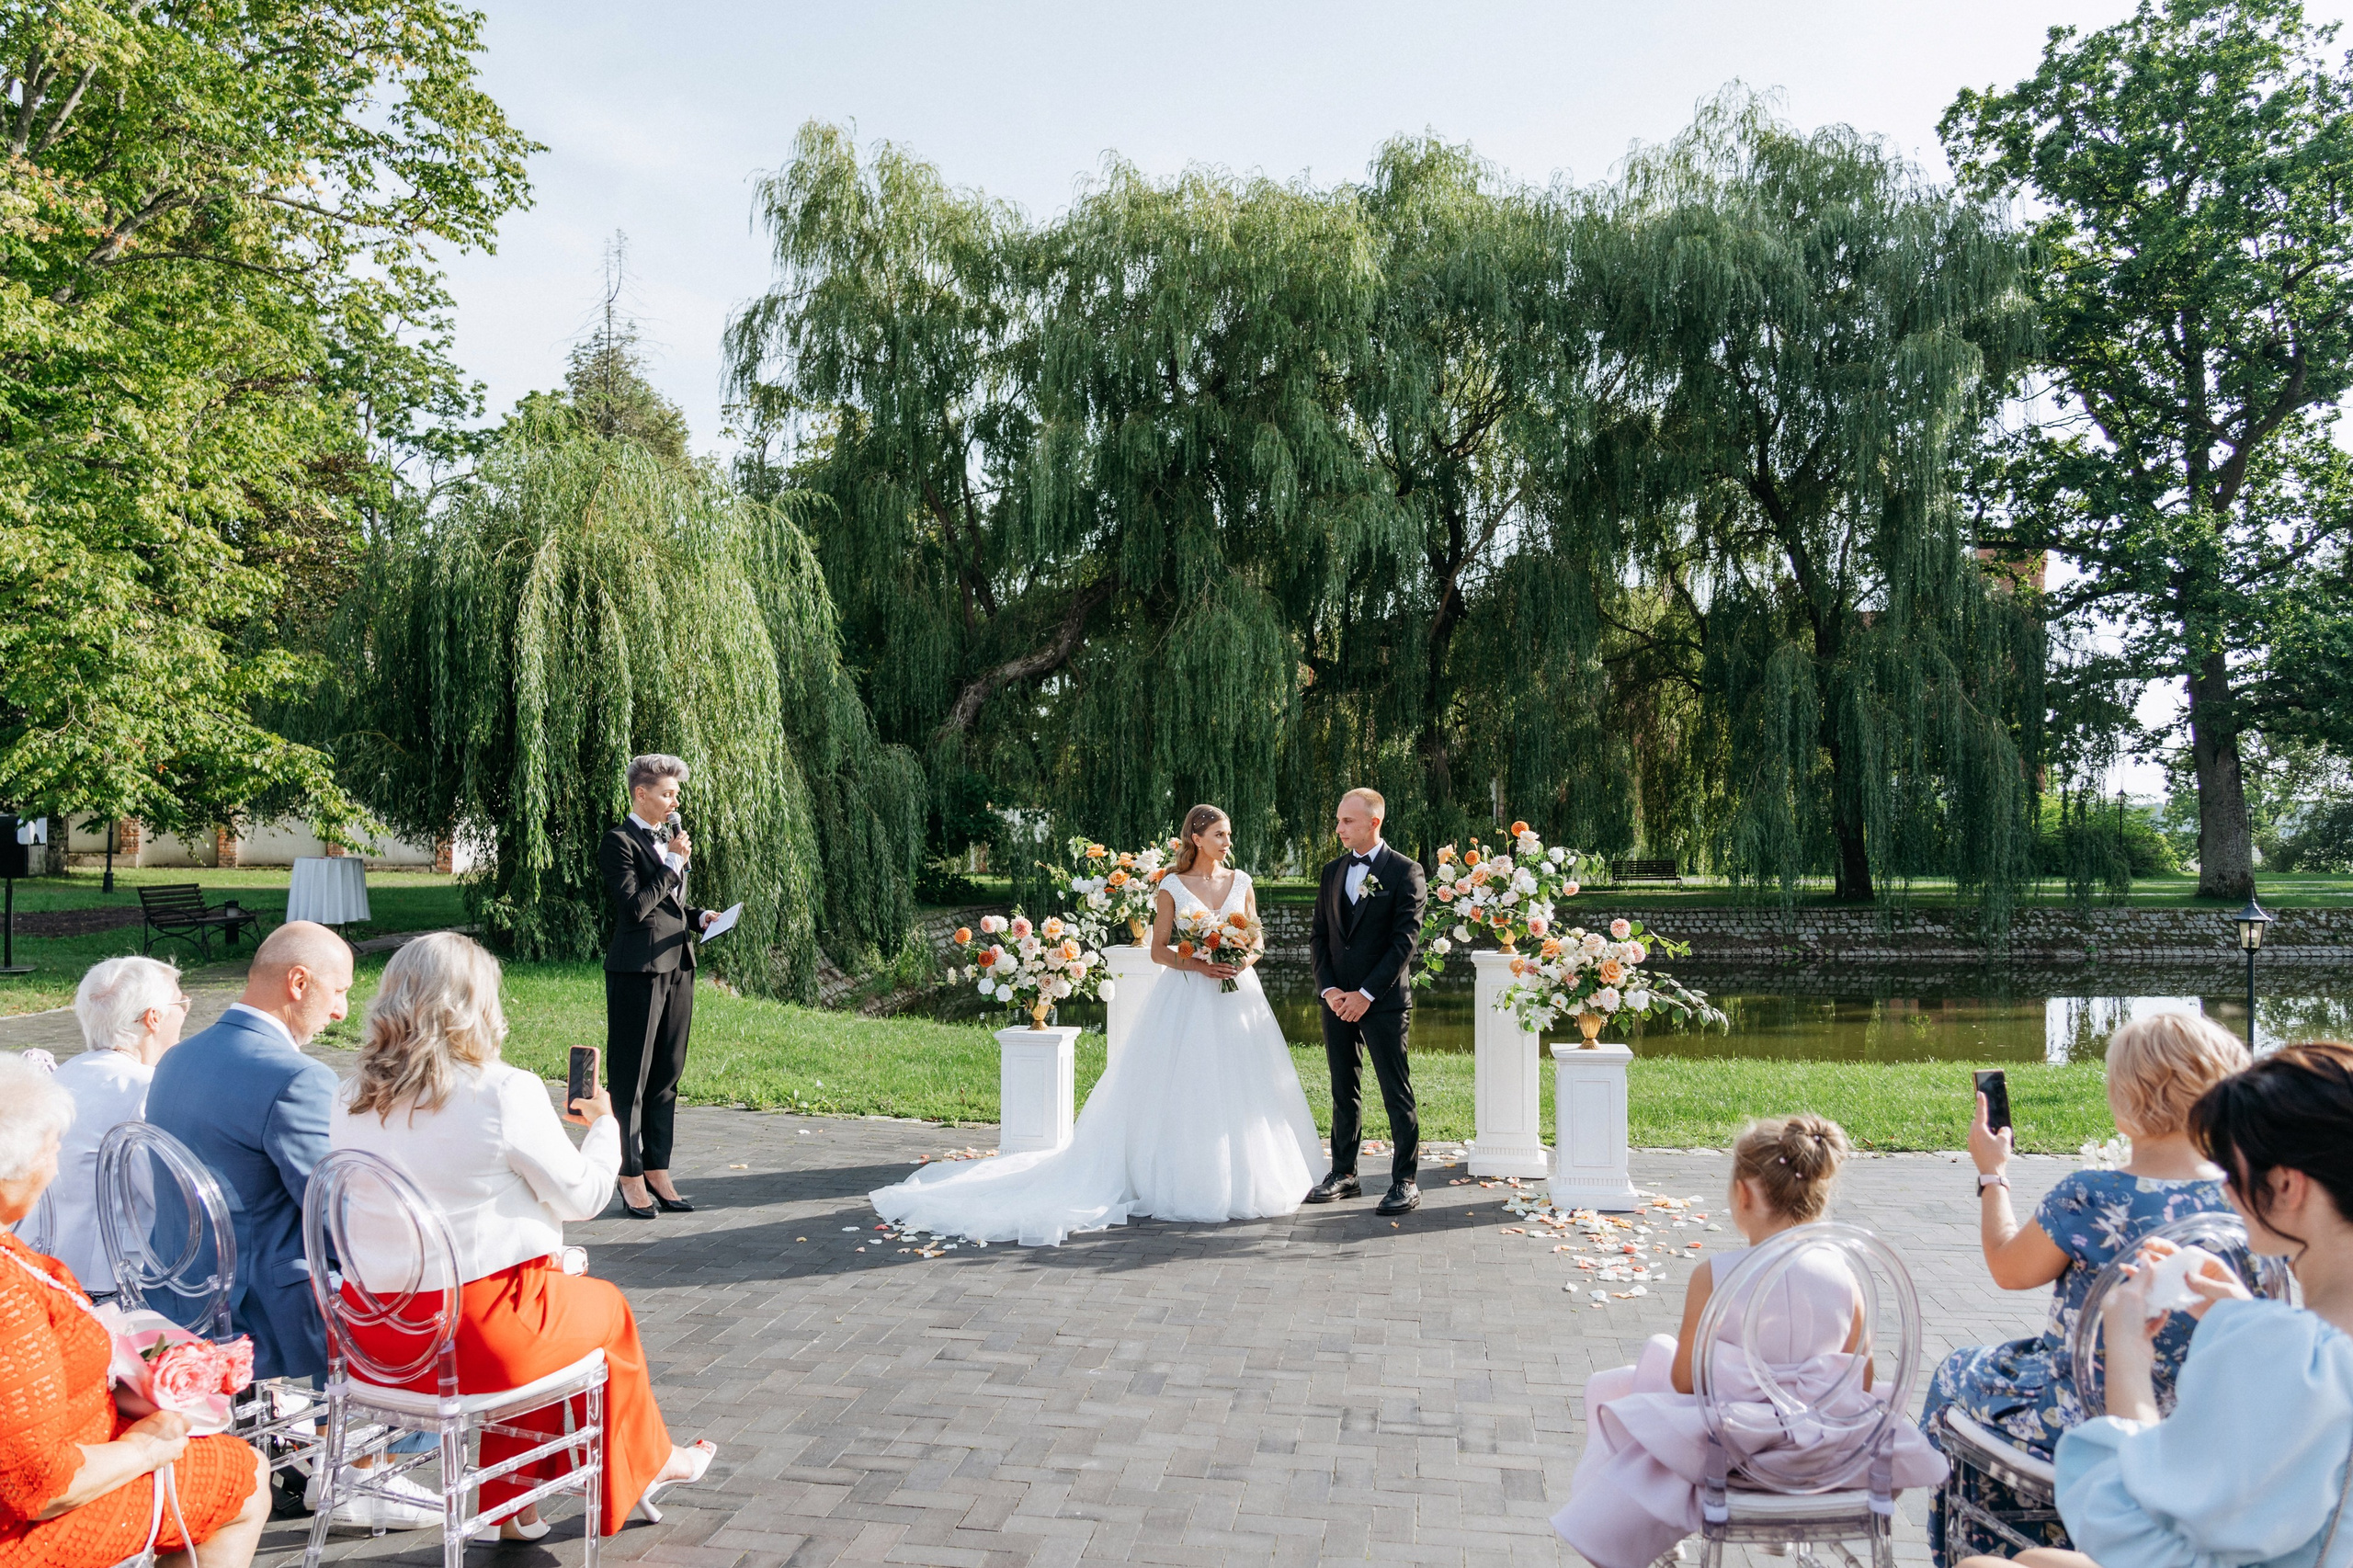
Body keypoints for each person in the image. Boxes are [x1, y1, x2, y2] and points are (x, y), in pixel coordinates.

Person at [328, 933, 716, 1538]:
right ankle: (648, 1462)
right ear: (477, 1003)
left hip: (374, 1339)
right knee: (601, 1309)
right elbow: (585, 1198)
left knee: (548, 1298)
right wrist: (605, 1127)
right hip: (471, 1343)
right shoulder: (502, 1090)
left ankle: (516, 1509)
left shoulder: (349, 1094)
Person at [1954, 1041, 2353, 1568]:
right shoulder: (2304, 1349)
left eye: (2229, 1166)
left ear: (2284, 1184)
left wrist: (2126, 1354)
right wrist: (2243, 1316)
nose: (2223, 1185)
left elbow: (2133, 1533)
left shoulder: (2290, 1357)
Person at [870, 802, 1325, 1245]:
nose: (1227, 842)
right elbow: (1159, 951)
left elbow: (1257, 939)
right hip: (1189, 994)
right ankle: (1177, 1177)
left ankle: (1248, 1174)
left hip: (1237, 994)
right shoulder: (1172, 886)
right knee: (1187, 1083)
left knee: (1242, 1081)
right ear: (1196, 838)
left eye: (1228, 834)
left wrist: (1241, 959)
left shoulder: (1241, 881)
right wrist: (1200, 965)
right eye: (1219, 834)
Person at [1920, 1012, 2248, 1565]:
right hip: (2206, 1432)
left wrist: (1992, 1174)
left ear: (2121, 1103)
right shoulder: (2255, 1201)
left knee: (1956, 1372)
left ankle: (1973, 1549)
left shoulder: (2092, 1195)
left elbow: (2008, 1269)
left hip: (2079, 1420)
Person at [1552, 1115, 1948, 1568]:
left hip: (1736, 1460)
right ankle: (1767, 1534)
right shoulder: (1847, 1275)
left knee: (1620, 1383)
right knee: (1631, 1376)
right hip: (1825, 1458)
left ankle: (1630, 1525)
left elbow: (1684, 1383)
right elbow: (1861, 1383)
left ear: (1743, 1193)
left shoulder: (1716, 1276)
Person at [0, 1054, 273, 1568]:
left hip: (61, 1451)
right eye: (52, 1150)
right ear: (15, 1171)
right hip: (22, 1525)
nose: (56, 1167)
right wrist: (146, 1448)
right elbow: (40, 1487)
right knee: (248, 1477)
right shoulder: (7, 1299)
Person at [147, 923, 351, 1384]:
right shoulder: (297, 1078)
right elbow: (336, 1217)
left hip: (175, 1295)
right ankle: (338, 1425)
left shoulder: (176, 1057)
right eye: (339, 991)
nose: (341, 1011)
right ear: (298, 983)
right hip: (257, 1316)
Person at [600, 754, 715, 1221]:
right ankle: (629, 1174)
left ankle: (657, 1169)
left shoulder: (668, 844)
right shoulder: (618, 841)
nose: (674, 803)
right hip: (637, 969)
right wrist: (671, 863)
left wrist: (698, 917)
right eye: (667, 794)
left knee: (667, 1075)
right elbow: (634, 909)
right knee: (632, 1076)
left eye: (676, 794)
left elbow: (668, 907)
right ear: (640, 794)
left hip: (678, 963)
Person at [1305, 788, 1428, 1216]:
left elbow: (1404, 943)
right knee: (1344, 1089)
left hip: (1384, 1001)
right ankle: (1344, 1173)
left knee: (1396, 1091)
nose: (1339, 828)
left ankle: (1405, 1181)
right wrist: (1330, 990)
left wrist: (1366, 994)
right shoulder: (1332, 872)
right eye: (1339, 820)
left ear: (1374, 822)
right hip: (1337, 1001)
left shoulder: (1406, 871)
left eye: (1347, 821)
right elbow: (1320, 937)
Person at [51, 957, 190, 1295]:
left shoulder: (63, 1074)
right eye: (181, 1003)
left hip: (50, 1261)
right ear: (154, 1018)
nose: (186, 1012)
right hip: (114, 1277)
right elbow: (169, 1199)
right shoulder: (145, 1087)